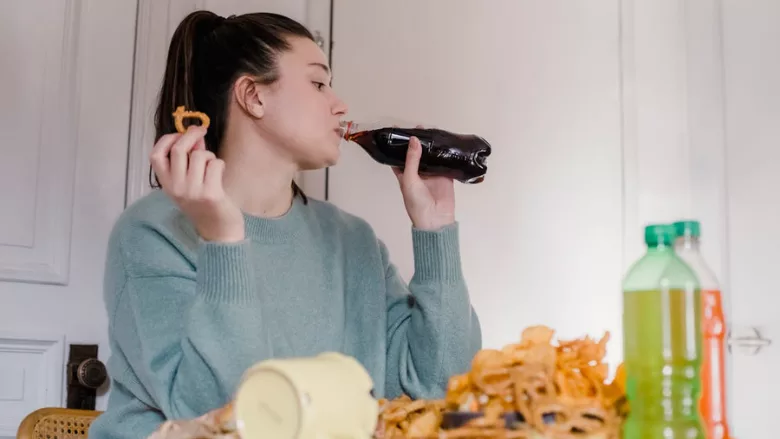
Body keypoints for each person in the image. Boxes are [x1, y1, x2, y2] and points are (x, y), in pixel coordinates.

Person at [89, 9, 482, 439]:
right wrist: (223, 238)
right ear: (253, 96)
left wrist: (435, 231)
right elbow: (221, 415)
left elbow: (440, 388)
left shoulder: (353, 241)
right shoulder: (153, 232)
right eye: (318, 83)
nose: (339, 104)